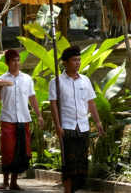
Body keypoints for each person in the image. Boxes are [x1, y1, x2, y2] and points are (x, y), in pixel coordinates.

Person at [49, 46, 105, 193]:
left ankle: (75, 189)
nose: (78, 62)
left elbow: (91, 102)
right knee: (69, 162)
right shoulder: (56, 82)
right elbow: (53, 104)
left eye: (79, 60)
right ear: (65, 63)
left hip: (83, 127)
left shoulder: (85, 80)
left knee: (81, 163)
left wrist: (98, 122)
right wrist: (57, 126)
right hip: (67, 126)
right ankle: (68, 191)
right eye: (74, 60)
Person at [0, 49, 43, 191]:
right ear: (7, 62)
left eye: (18, 60)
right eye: (13, 60)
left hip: (23, 119)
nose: (16, 63)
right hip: (8, 119)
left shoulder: (27, 79)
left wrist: (39, 115)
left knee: (20, 151)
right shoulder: (1, 79)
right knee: (8, 151)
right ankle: (5, 181)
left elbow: (32, 98)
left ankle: (14, 182)